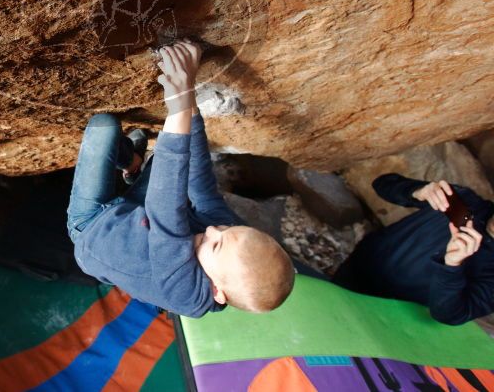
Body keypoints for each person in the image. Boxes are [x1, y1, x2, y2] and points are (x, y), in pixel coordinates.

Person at [66, 40, 294, 318]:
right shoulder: (227, 240)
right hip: (140, 218)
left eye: (216, 243)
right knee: (175, 163)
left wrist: (177, 106)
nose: (213, 230)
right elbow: (201, 183)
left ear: (216, 290)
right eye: (226, 230)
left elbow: (165, 211)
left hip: (93, 229)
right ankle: (133, 164)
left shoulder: (184, 292)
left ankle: (132, 162)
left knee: (104, 125)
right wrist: (189, 103)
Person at [333, 173, 494, 325]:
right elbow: (382, 184)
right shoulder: (462, 200)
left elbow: (451, 314)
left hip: (388, 312)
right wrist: (415, 191)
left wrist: (453, 266)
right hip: (357, 270)